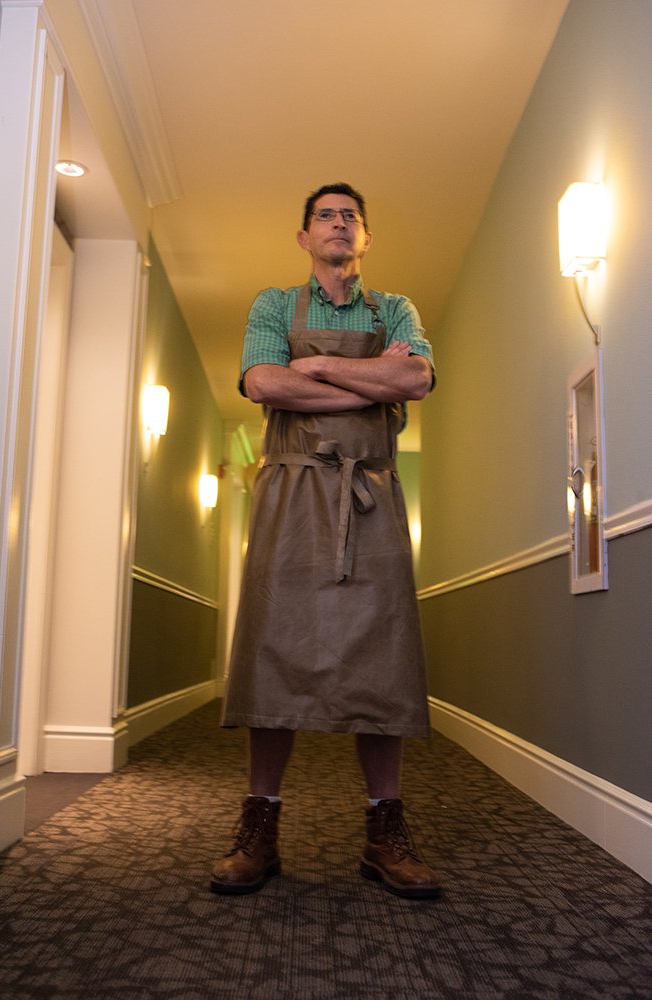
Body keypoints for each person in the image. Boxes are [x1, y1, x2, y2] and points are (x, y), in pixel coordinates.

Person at [210, 182, 440, 900]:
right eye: (324, 216)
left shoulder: (395, 309)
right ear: (304, 238)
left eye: (350, 217)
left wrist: (317, 368)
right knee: (273, 649)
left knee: (384, 655)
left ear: (364, 238)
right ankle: (260, 824)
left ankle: (384, 831)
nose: (338, 224)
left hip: (368, 494)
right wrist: (371, 385)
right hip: (289, 494)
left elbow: (418, 376)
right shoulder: (273, 305)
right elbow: (261, 381)